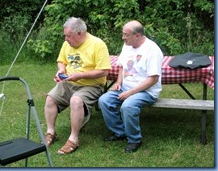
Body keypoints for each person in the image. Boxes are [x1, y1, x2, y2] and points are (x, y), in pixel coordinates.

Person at [44, 17, 111, 155]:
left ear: (80, 33)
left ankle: (73, 139)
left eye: (69, 36)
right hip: (69, 82)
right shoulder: (67, 44)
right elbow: (61, 61)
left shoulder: (98, 44)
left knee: (76, 100)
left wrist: (80, 75)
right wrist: (61, 69)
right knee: (50, 98)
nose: (66, 39)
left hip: (91, 85)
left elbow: (104, 71)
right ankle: (50, 132)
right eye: (65, 36)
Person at [98, 20, 163, 153]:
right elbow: (122, 65)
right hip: (125, 87)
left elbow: (153, 79)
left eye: (126, 35)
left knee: (128, 105)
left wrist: (130, 93)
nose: (123, 38)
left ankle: (134, 139)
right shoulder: (127, 45)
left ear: (137, 35)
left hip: (146, 91)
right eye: (123, 34)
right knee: (104, 100)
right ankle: (120, 132)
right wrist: (118, 82)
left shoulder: (152, 50)